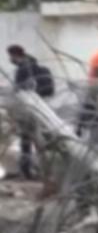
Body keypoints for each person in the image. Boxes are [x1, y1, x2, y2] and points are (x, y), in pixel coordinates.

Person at [7, 45, 54, 179]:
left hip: (28, 110)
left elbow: (19, 91)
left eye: (11, 57)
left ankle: (26, 171)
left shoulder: (23, 69)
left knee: (26, 140)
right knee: (37, 140)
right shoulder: (39, 68)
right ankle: (43, 171)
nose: (10, 59)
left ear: (15, 55)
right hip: (42, 108)